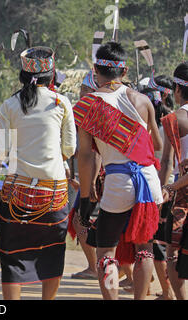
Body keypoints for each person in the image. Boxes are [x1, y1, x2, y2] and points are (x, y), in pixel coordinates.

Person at [0, 46, 77, 300]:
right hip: (54, 194)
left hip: (18, 193)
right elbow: (69, 149)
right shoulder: (62, 103)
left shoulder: (9, 105)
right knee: (52, 252)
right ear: (51, 77)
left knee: (12, 256)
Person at [74, 42, 163, 300]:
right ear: (124, 72)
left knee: (106, 252)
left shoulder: (88, 104)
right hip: (148, 180)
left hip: (118, 180)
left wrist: (85, 198)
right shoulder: (143, 99)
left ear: (95, 71)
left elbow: (86, 155)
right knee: (144, 249)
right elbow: (156, 144)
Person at [140, 86, 174, 299]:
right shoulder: (165, 124)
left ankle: (168, 291)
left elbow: (166, 161)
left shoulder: (163, 128)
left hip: (163, 190)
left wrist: (160, 193)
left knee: (159, 245)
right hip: (165, 188)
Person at [159, 61, 188, 300]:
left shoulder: (173, 119)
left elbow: (167, 163)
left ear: (177, 90)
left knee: (173, 253)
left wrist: (165, 189)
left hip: (182, 194)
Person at [69, 70, 99, 280]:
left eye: (84, 89)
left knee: (82, 221)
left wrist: (92, 181)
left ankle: (95, 266)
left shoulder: (95, 113)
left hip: (98, 177)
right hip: (92, 176)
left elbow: (96, 154)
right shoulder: (87, 113)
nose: (81, 93)